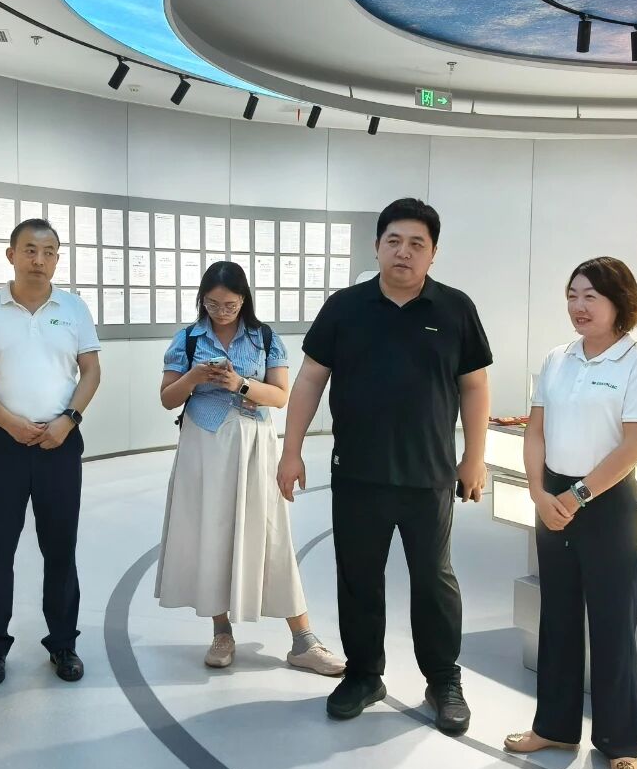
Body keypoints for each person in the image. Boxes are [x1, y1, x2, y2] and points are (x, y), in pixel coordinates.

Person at [277, 197, 492, 735]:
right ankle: (364, 674)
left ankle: (442, 679)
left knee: (434, 581)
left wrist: (474, 457)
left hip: (429, 475)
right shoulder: (345, 307)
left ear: (433, 253)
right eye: (394, 241)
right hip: (357, 473)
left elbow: (474, 385)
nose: (404, 252)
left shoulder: (455, 309)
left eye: (417, 243)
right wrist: (291, 449)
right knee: (358, 579)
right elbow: (310, 379)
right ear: (376, 246)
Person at [503, 257, 637, 769]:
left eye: (591, 296)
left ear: (620, 302)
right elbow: (535, 431)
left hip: (607, 504)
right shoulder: (557, 359)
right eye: (572, 295)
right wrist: (538, 492)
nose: (579, 306)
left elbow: (636, 444)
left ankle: (619, 741)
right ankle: (554, 726)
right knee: (558, 617)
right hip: (553, 499)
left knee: (613, 623)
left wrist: (578, 495)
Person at [157, 262, 344, 675]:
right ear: (201, 300)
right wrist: (194, 377)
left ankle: (303, 639)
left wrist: (238, 383)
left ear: (244, 300)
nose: (221, 312)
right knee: (210, 532)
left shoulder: (264, 338)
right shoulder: (188, 338)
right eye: (212, 304)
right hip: (202, 446)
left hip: (254, 445)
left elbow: (280, 396)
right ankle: (221, 632)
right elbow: (168, 398)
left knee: (271, 533)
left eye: (229, 304)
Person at [0, 218, 101, 687]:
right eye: (30, 250)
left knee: (61, 546)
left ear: (57, 258)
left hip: (60, 441)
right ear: (11, 255)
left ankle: (63, 643)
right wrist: (9, 422)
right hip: (0, 443)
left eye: (49, 251)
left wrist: (68, 421)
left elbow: (91, 372)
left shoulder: (74, 308)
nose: (39, 260)